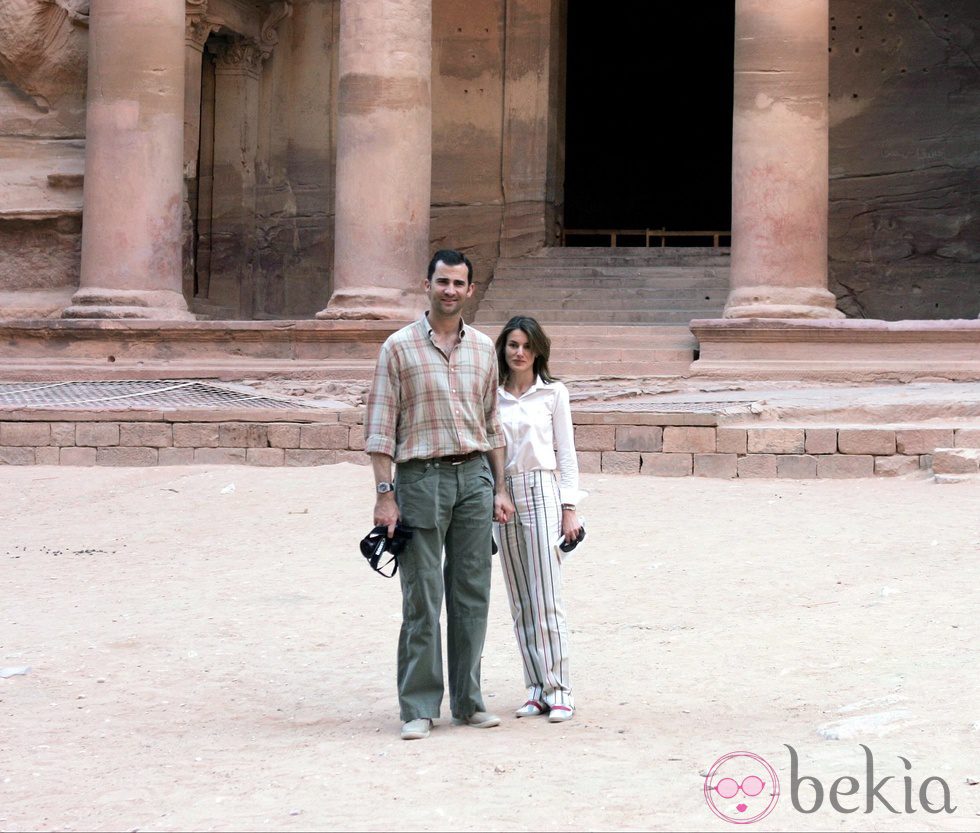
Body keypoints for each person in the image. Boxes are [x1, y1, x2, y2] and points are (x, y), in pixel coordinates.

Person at [364, 249, 516, 741]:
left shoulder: (482, 349)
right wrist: (385, 495)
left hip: (473, 478)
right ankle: (419, 706)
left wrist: (500, 488)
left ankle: (469, 701)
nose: (451, 290)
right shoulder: (398, 348)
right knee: (422, 597)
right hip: (419, 478)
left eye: (459, 283)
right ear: (426, 285)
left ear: (471, 290)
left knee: (472, 593)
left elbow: (492, 424)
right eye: (443, 281)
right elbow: (381, 427)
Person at [494, 315, 586, 723]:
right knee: (520, 601)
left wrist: (570, 508)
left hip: (543, 491)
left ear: (538, 351)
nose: (519, 352)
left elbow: (566, 454)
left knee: (546, 594)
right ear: (504, 349)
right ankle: (535, 688)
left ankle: (560, 689)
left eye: (526, 345)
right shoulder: (492, 396)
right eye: (513, 345)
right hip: (503, 494)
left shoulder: (553, 394)